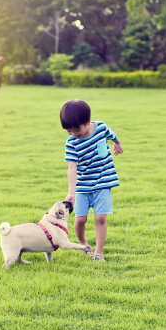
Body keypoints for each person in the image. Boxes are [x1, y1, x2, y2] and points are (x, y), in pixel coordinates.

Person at [60, 100, 124, 262]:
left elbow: (112, 135)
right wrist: (71, 192)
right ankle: (83, 244)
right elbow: (72, 168)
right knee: (80, 219)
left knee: (100, 218)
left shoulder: (101, 127)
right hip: (82, 186)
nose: (74, 134)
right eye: (69, 131)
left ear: (87, 122)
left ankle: (99, 252)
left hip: (103, 182)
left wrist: (118, 144)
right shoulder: (72, 142)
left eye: (77, 130)